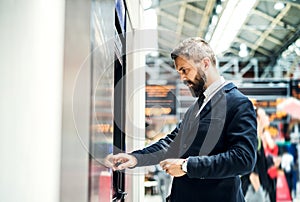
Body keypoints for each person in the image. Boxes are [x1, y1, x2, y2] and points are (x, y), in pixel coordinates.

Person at [104, 37, 257, 202]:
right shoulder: (196, 108)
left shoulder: (238, 103)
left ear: (205, 64)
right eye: (180, 72)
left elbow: (243, 158)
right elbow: (172, 143)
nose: (183, 78)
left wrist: (187, 166)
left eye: (185, 70)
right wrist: (135, 158)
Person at [241, 107, 275, 202]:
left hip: (259, 188)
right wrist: (259, 191)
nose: (266, 117)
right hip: (252, 189)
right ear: (257, 119)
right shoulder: (253, 139)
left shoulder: (258, 139)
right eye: (263, 115)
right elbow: (252, 170)